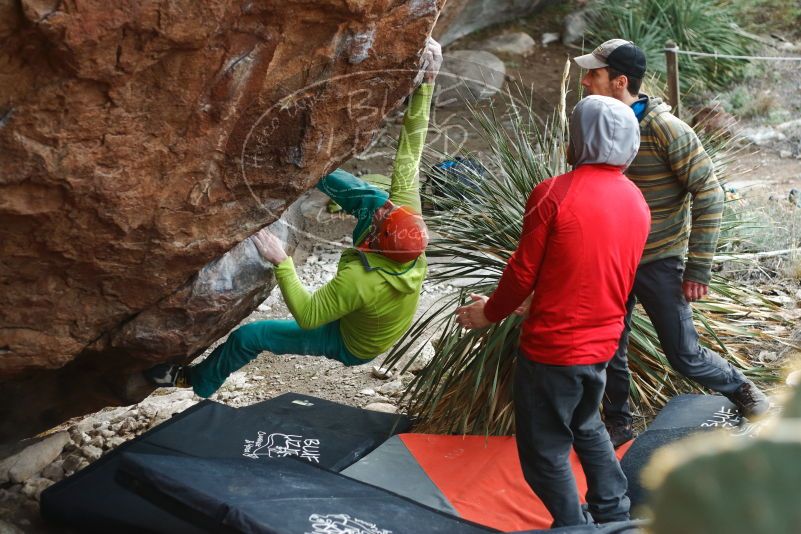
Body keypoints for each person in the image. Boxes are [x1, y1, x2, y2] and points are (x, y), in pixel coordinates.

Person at [144, 38, 442, 398]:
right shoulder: (405, 224)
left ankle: (193, 380)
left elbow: (310, 315)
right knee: (373, 197)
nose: (386, 209)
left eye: (383, 218)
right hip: (375, 285)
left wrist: (281, 261)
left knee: (251, 337)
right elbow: (412, 147)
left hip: (352, 342)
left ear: (377, 241)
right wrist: (427, 84)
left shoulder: (361, 280)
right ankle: (307, 170)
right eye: (392, 212)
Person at [456, 95, 650, 527]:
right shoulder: (636, 200)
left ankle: (573, 526)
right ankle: (614, 513)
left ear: (578, 139)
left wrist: (491, 313)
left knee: (544, 451)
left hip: (554, 348)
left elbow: (522, 271)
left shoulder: (555, 193)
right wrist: (538, 299)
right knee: (586, 423)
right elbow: (595, 269)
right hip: (603, 344)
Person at [573, 39, 770, 447]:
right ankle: (617, 422)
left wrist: (698, 266)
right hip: (611, 261)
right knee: (610, 347)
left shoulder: (666, 129)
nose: (585, 80)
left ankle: (740, 388)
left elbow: (709, 192)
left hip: (658, 260)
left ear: (619, 81)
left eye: (594, 73)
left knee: (683, 353)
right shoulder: (592, 121)